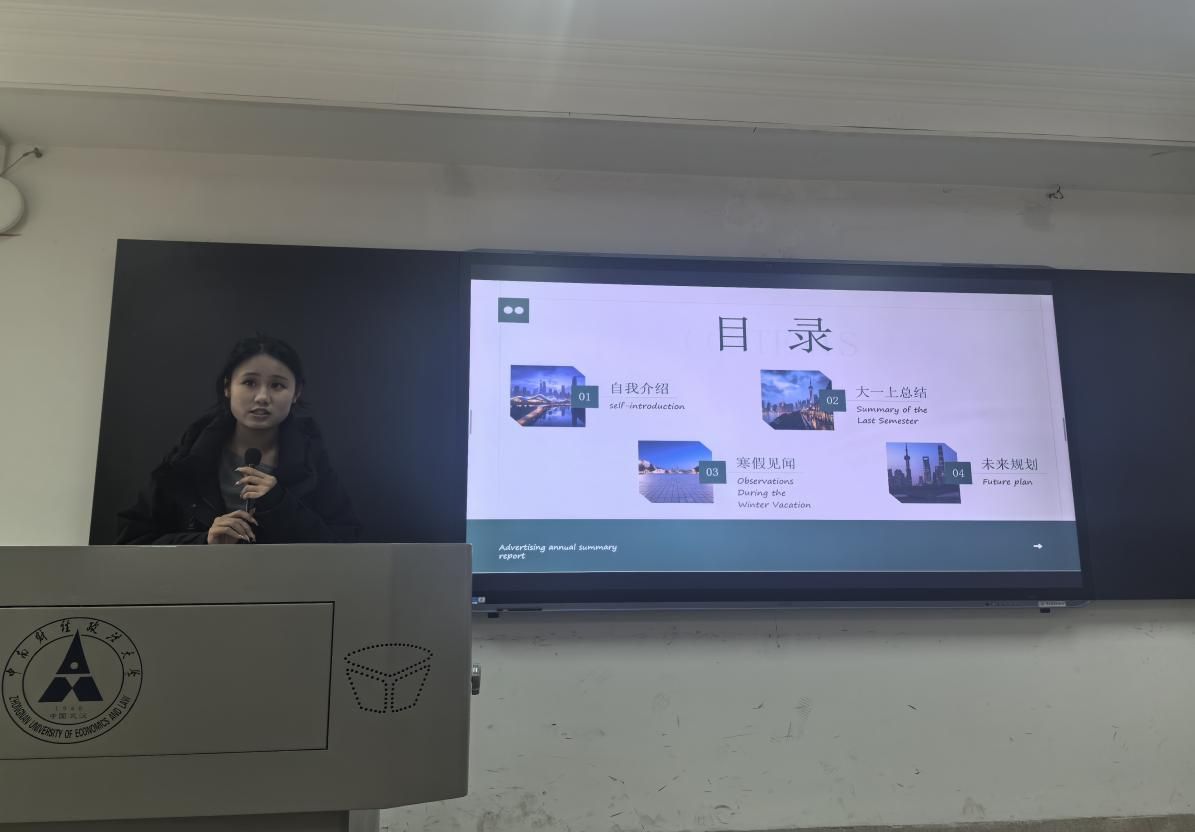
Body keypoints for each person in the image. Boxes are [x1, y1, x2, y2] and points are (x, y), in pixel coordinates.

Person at [116, 336, 360, 545]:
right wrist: (204, 541)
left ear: (296, 393)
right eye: (249, 382)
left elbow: (345, 546)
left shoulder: (312, 462)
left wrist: (280, 504)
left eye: (277, 385)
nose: (262, 397)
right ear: (227, 387)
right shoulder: (188, 458)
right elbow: (132, 540)